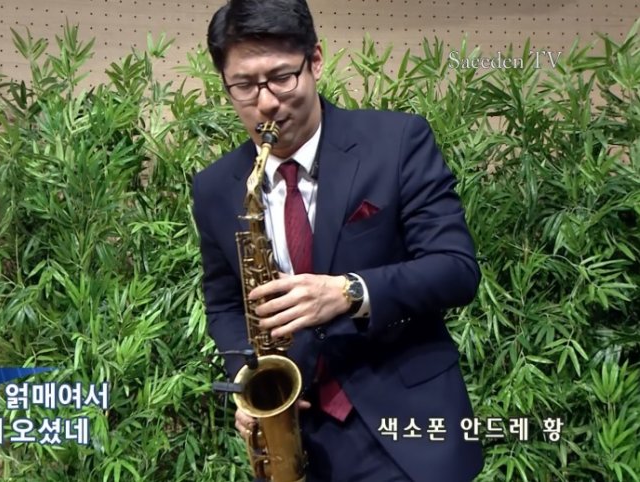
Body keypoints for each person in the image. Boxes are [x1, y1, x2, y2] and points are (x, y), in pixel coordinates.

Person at [191, 1, 484, 481]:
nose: (266, 103)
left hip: (404, 426)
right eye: (244, 86)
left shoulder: (397, 142)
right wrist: (251, 382)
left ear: (315, 61)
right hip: (300, 433)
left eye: (281, 77)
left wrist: (348, 292)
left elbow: (455, 269)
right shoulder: (215, 188)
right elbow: (224, 303)